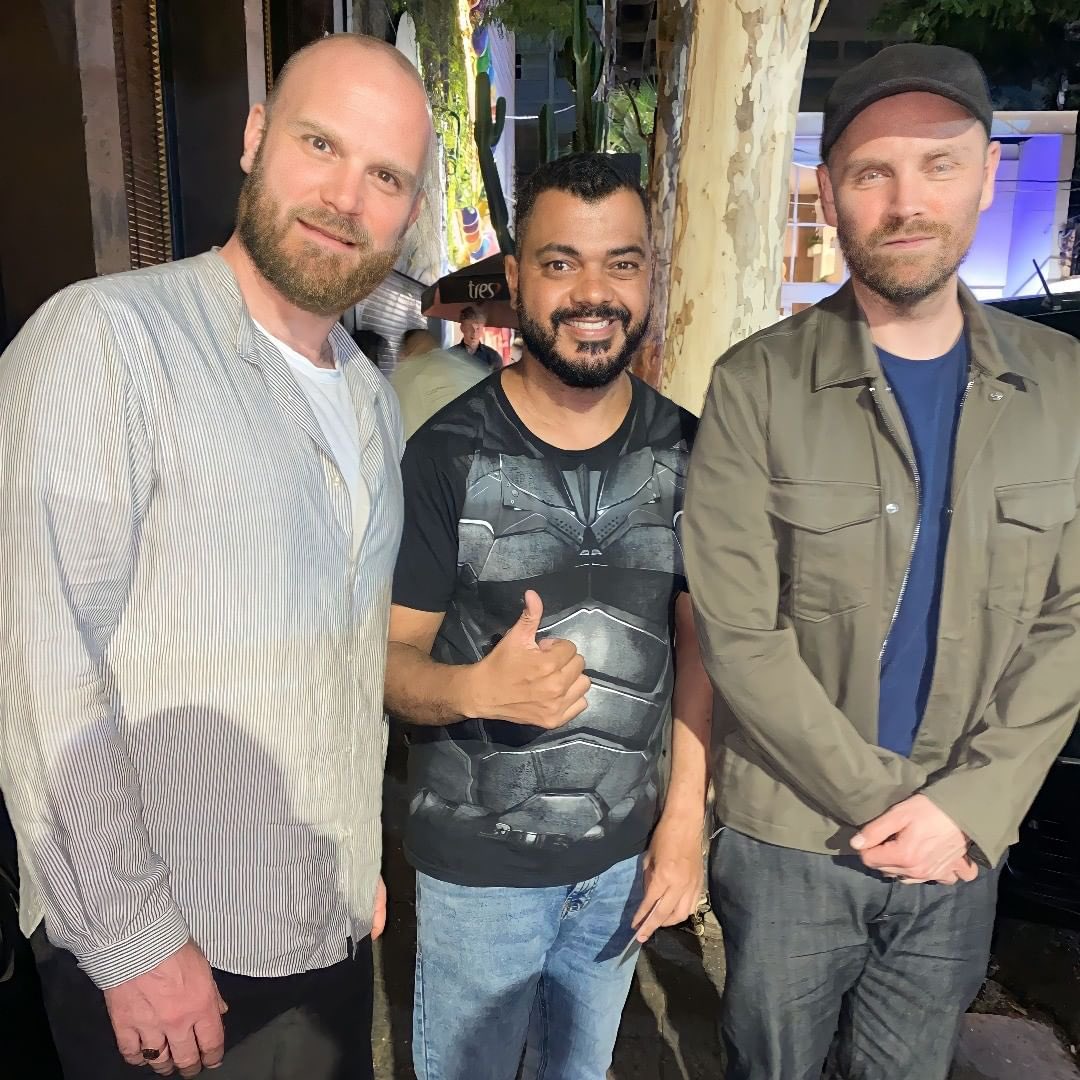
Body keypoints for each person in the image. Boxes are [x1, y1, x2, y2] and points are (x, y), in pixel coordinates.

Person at [0, 33, 433, 1080]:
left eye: (385, 175)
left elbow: (334, 655)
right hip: (166, 960)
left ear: (410, 207)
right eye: (320, 144)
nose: (345, 195)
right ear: (253, 137)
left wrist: (351, 847)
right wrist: (133, 941)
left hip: (319, 934)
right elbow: (38, 671)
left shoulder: (372, 399)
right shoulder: (106, 342)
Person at [684, 43, 1080, 1080]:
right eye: (872, 171)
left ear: (989, 173)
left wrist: (967, 809)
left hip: (962, 841)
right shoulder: (755, 384)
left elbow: (1073, 620)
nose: (908, 200)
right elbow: (737, 628)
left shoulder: (1065, 386)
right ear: (830, 192)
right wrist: (891, 799)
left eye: (939, 164)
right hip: (788, 844)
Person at [384, 153, 713, 1080]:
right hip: (477, 880)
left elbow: (699, 646)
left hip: (619, 867)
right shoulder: (445, 457)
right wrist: (474, 686)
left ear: (651, 276)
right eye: (561, 263)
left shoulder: (692, 451)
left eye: (621, 262)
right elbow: (388, 661)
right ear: (518, 277)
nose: (593, 293)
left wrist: (683, 819)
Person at [390, 327, 491, 439]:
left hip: (432, 449)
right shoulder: (466, 365)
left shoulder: (407, 376)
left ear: (404, 353)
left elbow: (400, 430)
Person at [451, 304, 503, 370]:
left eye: (478, 328)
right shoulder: (449, 355)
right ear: (462, 328)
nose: (474, 333)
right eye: (470, 328)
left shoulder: (493, 357)